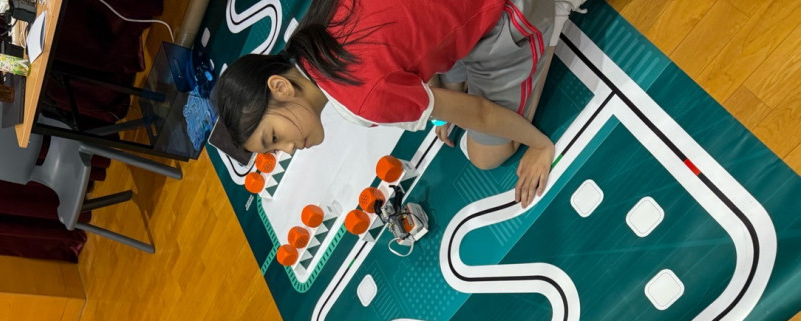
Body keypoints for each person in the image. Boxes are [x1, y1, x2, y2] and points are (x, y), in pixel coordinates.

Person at [213, 0, 580, 207]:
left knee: (485, 155)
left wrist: (540, 145)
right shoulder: (313, 28)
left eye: (274, 138)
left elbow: (480, 113)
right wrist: (438, 107)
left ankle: (556, 9)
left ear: (279, 86)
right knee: (448, 93)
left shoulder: (364, 101)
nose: (289, 149)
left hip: (507, 12)